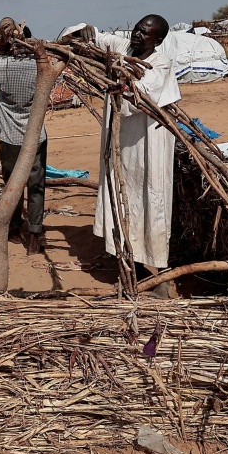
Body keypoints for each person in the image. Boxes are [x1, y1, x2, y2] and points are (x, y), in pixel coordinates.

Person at [79, 15, 181, 290]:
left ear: (157, 40)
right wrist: (84, 31)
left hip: (150, 142)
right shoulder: (123, 48)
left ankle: (161, 273)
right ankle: (132, 264)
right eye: (137, 29)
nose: (137, 35)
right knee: (125, 197)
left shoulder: (160, 63)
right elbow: (88, 35)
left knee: (152, 201)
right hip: (121, 141)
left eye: (145, 33)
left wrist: (122, 81)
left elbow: (139, 97)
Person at [0, 18, 46, 255]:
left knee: (12, 184)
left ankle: (13, 226)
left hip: (9, 135)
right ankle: (33, 236)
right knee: (36, 185)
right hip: (35, 135)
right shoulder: (39, 63)